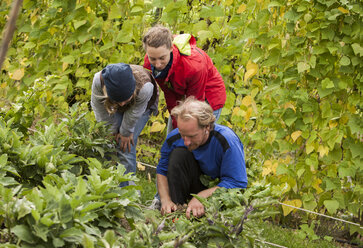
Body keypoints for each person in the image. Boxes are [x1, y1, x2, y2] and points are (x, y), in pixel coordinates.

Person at [154, 97, 247, 218]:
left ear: (207, 127)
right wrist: (165, 200)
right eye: (183, 135)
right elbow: (162, 171)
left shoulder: (226, 141)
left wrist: (201, 197)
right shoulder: (174, 138)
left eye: (192, 136)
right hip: (194, 184)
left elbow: (237, 183)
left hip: (217, 192)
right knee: (178, 155)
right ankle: (177, 212)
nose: (186, 142)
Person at [142, 25, 226, 133]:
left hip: (208, 96)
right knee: (173, 137)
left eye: (162, 58)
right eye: (153, 58)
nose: (157, 64)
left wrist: (184, 130)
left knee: (196, 139)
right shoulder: (150, 62)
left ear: (171, 48)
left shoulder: (194, 66)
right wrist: (176, 123)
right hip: (182, 92)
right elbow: (169, 94)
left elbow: (195, 104)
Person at [91, 63, 158, 186]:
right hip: (110, 105)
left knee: (125, 146)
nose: (122, 104)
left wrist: (125, 133)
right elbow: (99, 109)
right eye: (118, 100)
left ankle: (127, 192)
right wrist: (110, 132)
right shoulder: (98, 81)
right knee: (108, 143)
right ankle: (105, 187)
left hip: (140, 108)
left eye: (125, 100)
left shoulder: (145, 87)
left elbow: (134, 114)